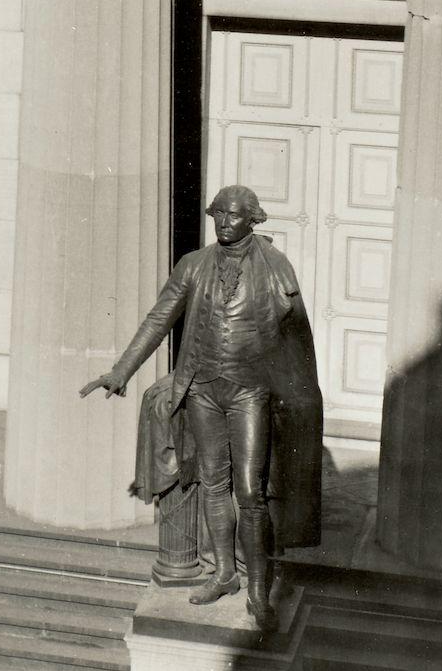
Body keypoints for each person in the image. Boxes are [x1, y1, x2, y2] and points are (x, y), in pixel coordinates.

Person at [82, 181, 324, 631]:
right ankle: (226, 575)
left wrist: (299, 396)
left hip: (250, 392)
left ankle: (258, 592)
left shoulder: (275, 268)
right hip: (203, 390)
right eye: (218, 215)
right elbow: (159, 318)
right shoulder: (193, 265)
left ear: (253, 219)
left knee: (250, 493)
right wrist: (122, 371)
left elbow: (297, 335)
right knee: (213, 484)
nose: (224, 223)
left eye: (233, 216)